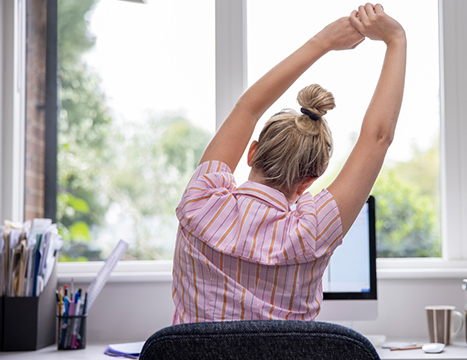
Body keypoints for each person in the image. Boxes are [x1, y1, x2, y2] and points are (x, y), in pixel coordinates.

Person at [172, 3, 406, 324]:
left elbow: (247, 109)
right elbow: (377, 138)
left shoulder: (201, 200)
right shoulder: (311, 231)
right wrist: (396, 40)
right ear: (309, 180)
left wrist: (323, 42)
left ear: (251, 152)